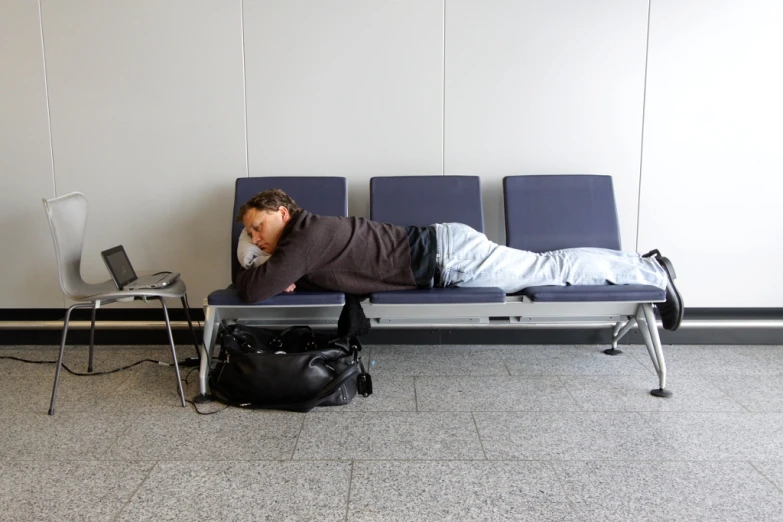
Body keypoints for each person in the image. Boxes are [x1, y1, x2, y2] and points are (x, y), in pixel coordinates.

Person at [235, 189, 683, 330]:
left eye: (258, 227)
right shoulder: (308, 237)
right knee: (548, 265)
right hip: (447, 250)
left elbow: (253, 289)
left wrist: (273, 274)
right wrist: (288, 276)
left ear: (282, 213)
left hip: (453, 258)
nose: (256, 239)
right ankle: (643, 265)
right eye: (250, 234)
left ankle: (649, 270)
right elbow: (329, 272)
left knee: (552, 269)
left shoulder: (305, 236)